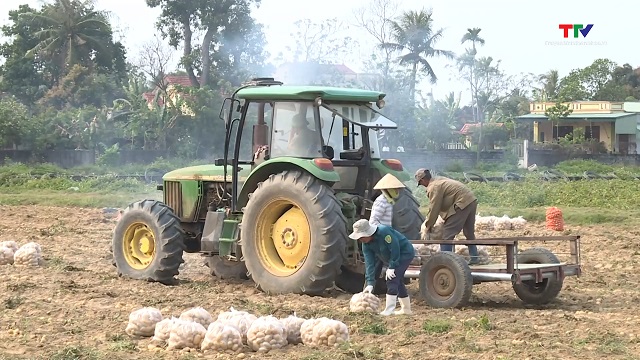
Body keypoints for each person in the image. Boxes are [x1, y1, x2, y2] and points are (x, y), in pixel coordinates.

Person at [349, 218, 415, 316]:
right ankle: (406, 309)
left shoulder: (384, 232)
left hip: (404, 253)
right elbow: (370, 263)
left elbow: (395, 247)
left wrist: (392, 266)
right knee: (398, 280)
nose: (360, 240)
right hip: (391, 257)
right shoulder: (366, 245)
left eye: (361, 237)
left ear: (368, 233)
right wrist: (370, 283)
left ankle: (389, 309)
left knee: (392, 279)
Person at [415, 168, 480, 264]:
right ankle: (474, 258)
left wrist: (428, 226)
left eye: (421, 184)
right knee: (469, 232)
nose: (423, 186)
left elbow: (434, 208)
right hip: (470, 200)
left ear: (423, 180)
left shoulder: (433, 187)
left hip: (461, 203)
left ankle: (446, 262)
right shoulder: (439, 180)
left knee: (447, 236)